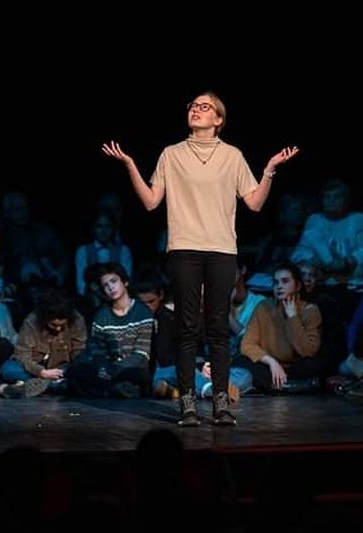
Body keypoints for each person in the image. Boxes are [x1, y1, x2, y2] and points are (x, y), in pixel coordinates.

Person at [103, 91, 299, 426]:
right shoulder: (172, 154)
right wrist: (131, 165)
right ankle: (188, 403)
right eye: (193, 106)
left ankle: (221, 402)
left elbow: (254, 203)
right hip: (184, 249)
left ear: (218, 119)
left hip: (222, 250)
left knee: (218, 328)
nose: (196, 110)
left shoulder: (232, 156)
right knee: (188, 327)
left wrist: (268, 170)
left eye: (204, 107)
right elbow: (151, 202)